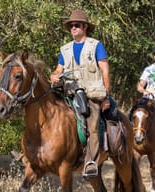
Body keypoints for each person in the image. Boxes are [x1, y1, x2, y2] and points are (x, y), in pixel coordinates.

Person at [50, 9, 118, 179]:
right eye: (71, 25)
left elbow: (105, 71)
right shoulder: (64, 49)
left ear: (85, 27)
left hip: (92, 94)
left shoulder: (96, 45)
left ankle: (91, 162)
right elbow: (58, 70)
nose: (73, 28)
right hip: (70, 92)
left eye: (77, 25)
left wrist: (106, 97)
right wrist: (54, 75)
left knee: (93, 123)